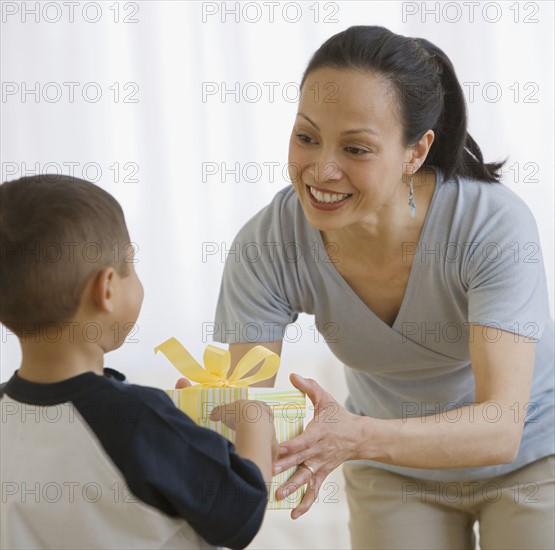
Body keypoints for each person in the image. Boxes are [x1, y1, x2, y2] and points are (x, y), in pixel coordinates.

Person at [208, 26, 554, 549]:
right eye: (306, 137)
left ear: (416, 153)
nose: (321, 170)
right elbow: (249, 409)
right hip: (393, 472)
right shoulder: (268, 243)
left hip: (532, 454)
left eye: (356, 148)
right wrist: (211, 432)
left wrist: (354, 436)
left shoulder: (491, 225)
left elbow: (500, 426)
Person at [0, 174, 277, 550]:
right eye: (132, 264)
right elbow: (240, 513)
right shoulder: (138, 419)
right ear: (108, 289)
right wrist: (255, 425)